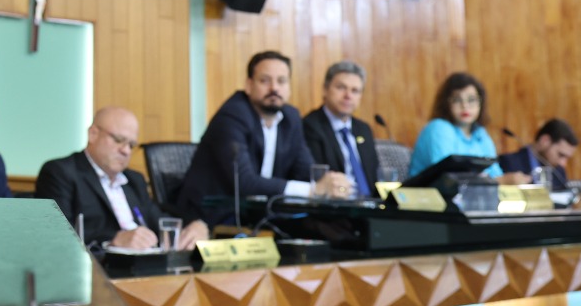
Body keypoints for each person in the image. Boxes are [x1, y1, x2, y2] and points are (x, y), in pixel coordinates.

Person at [178, 51, 353, 227]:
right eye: (265, 80)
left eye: (281, 81)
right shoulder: (233, 116)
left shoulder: (291, 118)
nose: (274, 88)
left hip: (260, 218)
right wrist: (313, 190)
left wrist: (331, 182)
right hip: (210, 218)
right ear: (248, 85)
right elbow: (245, 182)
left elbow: (305, 170)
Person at [36, 106, 208, 252]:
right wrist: (113, 240)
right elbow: (56, 236)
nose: (126, 151)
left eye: (131, 145)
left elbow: (158, 219)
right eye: (119, 140)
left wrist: (196, 225)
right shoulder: (61, 172)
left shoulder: (134, 180)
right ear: (93, 134)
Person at [407, 72, 528, 182]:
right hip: (427, 196)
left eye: (471, 100)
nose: (465, 106)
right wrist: (502, 181)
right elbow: (449, 178)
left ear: (481, 103)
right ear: (446, 103)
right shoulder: (438, 128)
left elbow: (495, 173)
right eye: (457, 100)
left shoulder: (480, 134)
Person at [301, 61, 379, 201]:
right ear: (325, 89)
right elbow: (318, 177)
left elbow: (374, 178)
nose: (348, 95)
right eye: (341, 87)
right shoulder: (310, 126)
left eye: (355, 91)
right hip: (336, 205)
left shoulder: (363, 129)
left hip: (371, 205)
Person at [496, 119, 578, 190]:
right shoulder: (509, 162)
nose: (563, 163)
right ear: (545, 141)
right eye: (560, 155)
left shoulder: (558, 171)